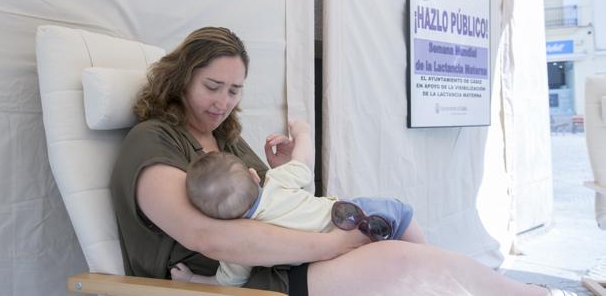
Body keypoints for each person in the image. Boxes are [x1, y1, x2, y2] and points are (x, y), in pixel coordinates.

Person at [110, 26, 563, 296]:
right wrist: (332, 245)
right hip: (250, 280)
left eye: (235, 90)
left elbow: (276, 199)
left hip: (284, 258)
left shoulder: (225, 140)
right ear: (181, 78)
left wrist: (284, 170)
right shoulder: (151, 142)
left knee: (403, 244)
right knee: (404, 263)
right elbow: (211, 238)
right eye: (212, 86)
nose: (223, 102)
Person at [171, 120, 425, 287]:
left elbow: (226, 283)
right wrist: (302, 131)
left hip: (330, 255)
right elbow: (303, 160)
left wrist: (192, 278)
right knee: (400, 215)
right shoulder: (275, 180)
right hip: (348, 215)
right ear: (252, 175)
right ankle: (427, 255)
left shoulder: (240, 243)